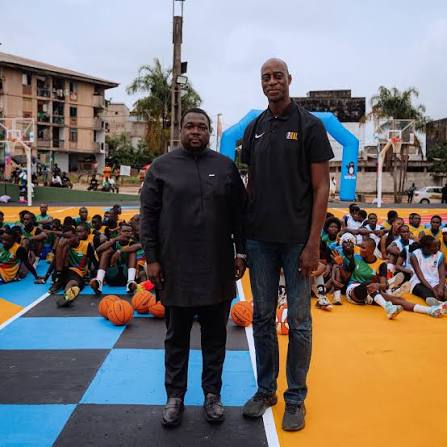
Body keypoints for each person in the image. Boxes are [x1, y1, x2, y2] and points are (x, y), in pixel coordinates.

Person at [240, 58, 333, 431]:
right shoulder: (254, 128)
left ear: (289, 79)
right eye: (266, 77)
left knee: (299, 322)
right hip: (260, 240)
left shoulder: (310, 126)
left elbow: (322, 187)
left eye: (278, 76)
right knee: (262, 318)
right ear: (261, 83)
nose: (272, 82)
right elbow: (251, 185)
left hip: (297, 242)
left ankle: (295, 398)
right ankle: (266, 391)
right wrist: (243, 241)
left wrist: (313, 244)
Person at [140, 108, 247, 427]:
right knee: (176, 337)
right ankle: (175, 397)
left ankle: (212, 395)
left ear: (209, 133)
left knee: (216, 338)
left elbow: (240, 215)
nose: (196, 131)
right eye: (190, 126)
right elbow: (148, 216)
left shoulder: (225, 167)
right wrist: (152, 258)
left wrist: (242, 253)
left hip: (217, 267)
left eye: (202, 127)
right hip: (175, 268)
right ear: (181, 130)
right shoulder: (161, 167)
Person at [410, 235, 446, 306]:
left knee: (443, 294)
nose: (437, 248)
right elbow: (420, 276)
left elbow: (442, 276)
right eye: (434, 246)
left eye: (437, 246)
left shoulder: (440, 255)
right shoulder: (414, 255)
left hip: (435, 281)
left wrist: (441, 288)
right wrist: (433, 290)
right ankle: (435, 302)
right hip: (419, 281)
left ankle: (439, 301)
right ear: (425, 247)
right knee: (427, 294)